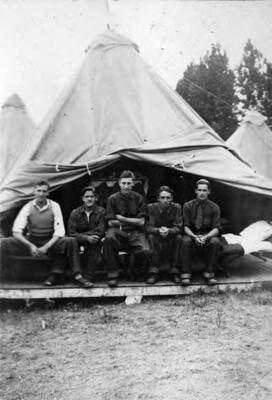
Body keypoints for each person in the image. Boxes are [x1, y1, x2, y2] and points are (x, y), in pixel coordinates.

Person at [0, 179, 93, 287]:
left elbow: (59, 232)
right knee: (3, 243)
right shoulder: (28, 207)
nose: (41, 194)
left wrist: (46, 247)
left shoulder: (54, 206)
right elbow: (16, 231)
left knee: (70, 241)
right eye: (38, 191)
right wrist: (30, 246)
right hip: (32, 239)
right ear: (34, 192)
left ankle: (78, 276)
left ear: (48, 193)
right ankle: (3, 274)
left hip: (49, 239)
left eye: (44, 191)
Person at [103, 170, 150, 287]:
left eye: (129, 183)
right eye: (124, 183)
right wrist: (131, 221)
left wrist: (122, 219)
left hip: (135, 232)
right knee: (109, 239)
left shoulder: (139, 198)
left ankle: (134, 272)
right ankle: (112, 275)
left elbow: (141, 222)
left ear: (133, 184)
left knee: (145, 250)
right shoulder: (112, 199)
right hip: (118, 231)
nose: (126, 186)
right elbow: (110, 222)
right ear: (119, 183)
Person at [181, 179, 222, 285]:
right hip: (191, 234)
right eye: (200, 190)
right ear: (195, 191)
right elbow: (185, 226)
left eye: (204, 190)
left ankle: (209, 273)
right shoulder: (187, 206)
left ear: (209, 192)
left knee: (215, 242)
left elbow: (216, 228)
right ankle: (185, 273)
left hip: (207, 234)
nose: (202, 193)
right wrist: (194, 237)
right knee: (185, 241)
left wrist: (206, 237)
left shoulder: (214, 207)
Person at [68, 186, 106, 283]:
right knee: (71, 242)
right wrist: (86, 238)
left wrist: (85, 236)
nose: (89, 199)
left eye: (92, 196)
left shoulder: (101, 211)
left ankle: (87, 277)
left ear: (96, 198)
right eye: (87, 196)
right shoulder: (75, 212)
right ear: (83, 198)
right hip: (79, 241)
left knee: (97, 244)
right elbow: (71, 233)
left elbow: (100, 230)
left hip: (94, 239)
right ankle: (78, 274)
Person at [146, 186, 183, 284]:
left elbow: (178, 226)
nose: (165, 200)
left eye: (168, 198)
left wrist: (169, 231)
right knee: (150, 237)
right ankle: (154, 272)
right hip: (156, 235)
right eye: (162, 198)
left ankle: (174, 271)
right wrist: (159, 231)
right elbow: (148, 227)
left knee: (179, 238)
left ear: (172, 198)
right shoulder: (151, 208)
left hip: (171, 235)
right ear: (158, 198)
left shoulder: (177, 207)